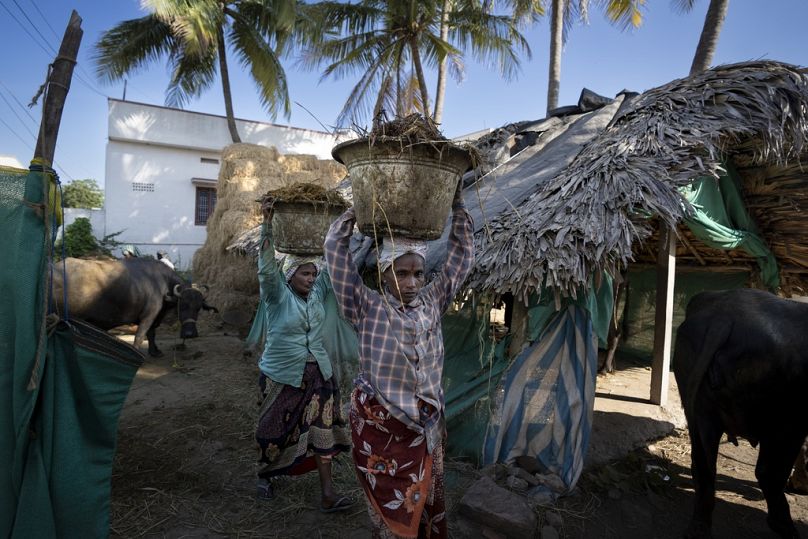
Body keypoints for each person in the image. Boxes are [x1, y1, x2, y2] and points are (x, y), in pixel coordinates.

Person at [323, 182, 474, 538]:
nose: (411, 282)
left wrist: (457, 206)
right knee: (391, 515)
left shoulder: (434, 302)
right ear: (383, 274)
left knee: (424, 504)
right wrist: (357, 209)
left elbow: (462, 256)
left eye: (418, 273)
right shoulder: (366, 307)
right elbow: (335, 251)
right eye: (401, 273)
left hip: (425, 427)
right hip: (383, 430)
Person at [254, 199, 354, 513]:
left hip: (320, 376)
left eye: (313, 274)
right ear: (290, 275)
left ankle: (327, 494)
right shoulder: (277, 296)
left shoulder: (318, 293)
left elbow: (333, 264)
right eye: (305, 274)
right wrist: (267, 225)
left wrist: (345, 224)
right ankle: (265, 474)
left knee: (323, 434)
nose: (311, 279)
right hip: (282, 375)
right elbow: (267, 268)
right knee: (273, 432)